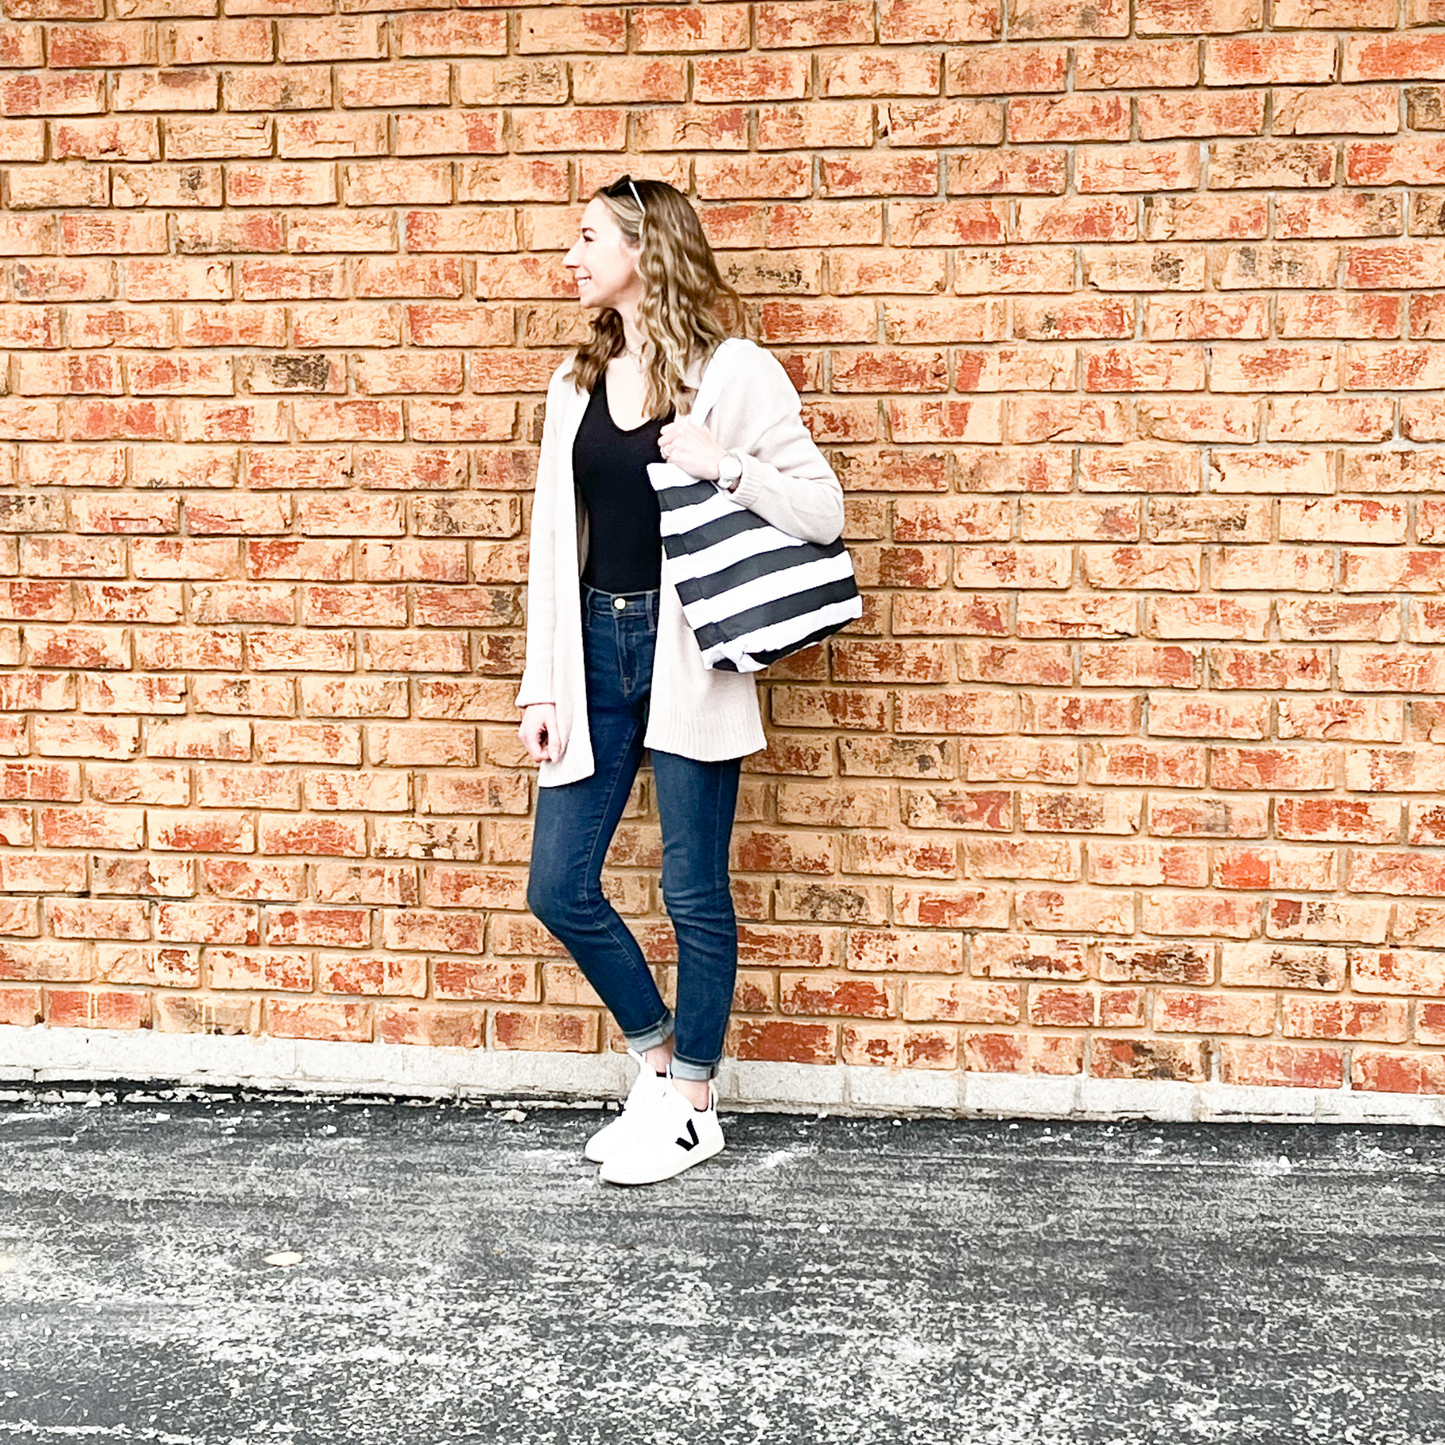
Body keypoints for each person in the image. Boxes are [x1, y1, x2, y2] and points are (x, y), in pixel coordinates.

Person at [515, 175, 846, 1186]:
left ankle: (695, 1103)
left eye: (587, 239)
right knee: (558, 883)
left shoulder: (732, 373)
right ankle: (655, 1068)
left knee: (691, 888)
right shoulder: (572, 384)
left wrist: (721, 465)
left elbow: (821, 511)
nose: (570, 257)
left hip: (687, 648)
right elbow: (546, 546)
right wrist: (540, 683)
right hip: (592, 649)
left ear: (643, 249)